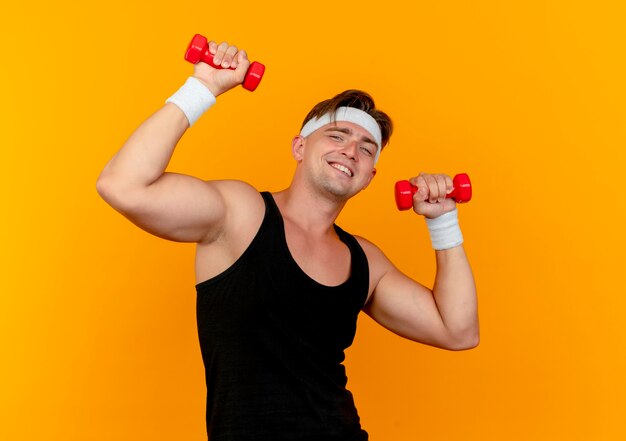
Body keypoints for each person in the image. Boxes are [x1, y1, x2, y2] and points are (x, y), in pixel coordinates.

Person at [96, 40, 479, 441]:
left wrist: (443, 221)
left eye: (367, 149)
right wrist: (203, 86)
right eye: (337, 135)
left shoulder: (365, 260)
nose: (351, 151)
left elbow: (458, 331)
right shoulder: (238, 213)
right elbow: (122, 185)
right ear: (300, 146)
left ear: (369, 177)